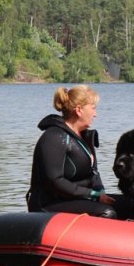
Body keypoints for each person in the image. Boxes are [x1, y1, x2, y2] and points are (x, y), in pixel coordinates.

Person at [27, 85, 119, 218]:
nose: (95, 114)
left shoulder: (84, 137)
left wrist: (101, 193)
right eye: (93, 108)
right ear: (79, 110)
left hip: (78, 198)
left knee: (128, 204)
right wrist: (93, 196)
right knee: (107, 212)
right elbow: (54, 181)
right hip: (48, 204)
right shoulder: (54, 137)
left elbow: (93, 174)